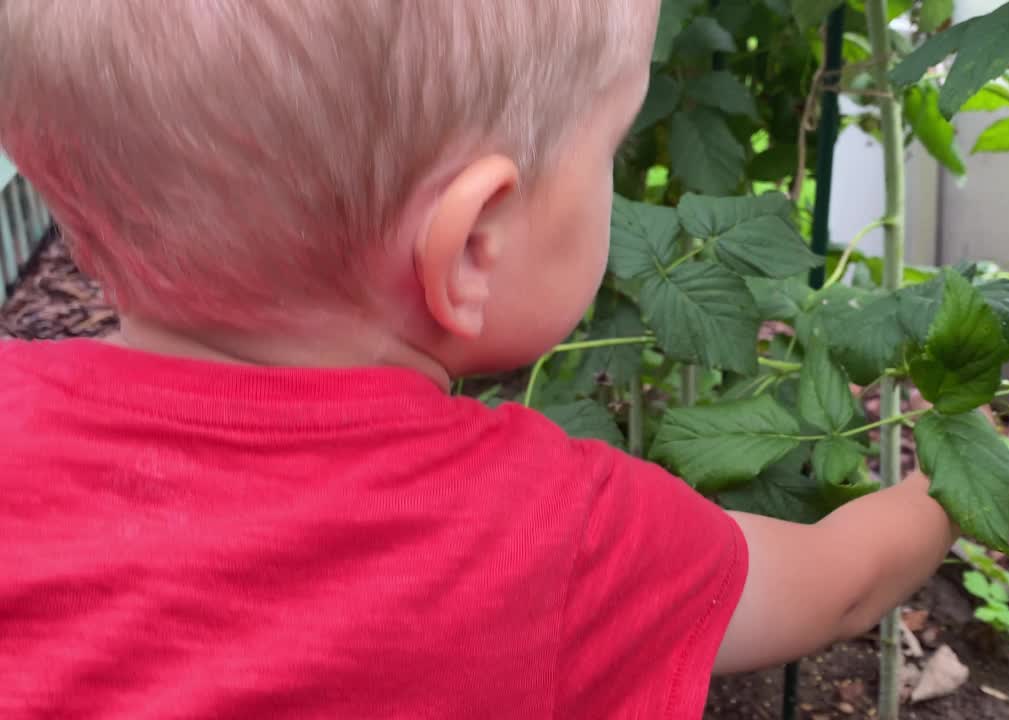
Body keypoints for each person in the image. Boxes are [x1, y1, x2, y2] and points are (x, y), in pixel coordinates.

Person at [0, 2, 958, 717]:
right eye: (610, 154)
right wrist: (953, 478)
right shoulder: (559, 535)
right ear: (471, 247)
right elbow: (838, 584)